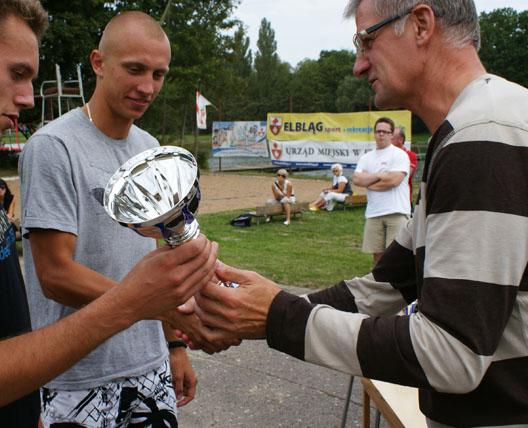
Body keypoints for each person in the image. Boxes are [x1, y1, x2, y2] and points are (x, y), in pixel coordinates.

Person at [190, 1, 528, 427]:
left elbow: (451, 352)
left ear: (421, 24)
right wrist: (252, 309)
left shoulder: (482, 137)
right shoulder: (478, 126)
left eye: (366, 40)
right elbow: (386, 285)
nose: (358, 65)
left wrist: (277, 316)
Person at [0, 2, 217, 427]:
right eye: (17, 73)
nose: (28, 97)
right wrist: (135, 302)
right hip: (79, 389)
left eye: (158, 75)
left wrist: (32, 410)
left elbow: (0, 314)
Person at [20, 11, 234, 428]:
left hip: (148, 367)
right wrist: (165, 310)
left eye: (159, 74)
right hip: (74, 377)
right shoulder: (53, 147)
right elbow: (55, 275)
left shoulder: (150, 147)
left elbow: (158, 251)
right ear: (98, 62)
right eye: (134, 69)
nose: (147, 87)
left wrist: (174, 346)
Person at [352, 117, 410, 264]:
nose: (381, 134)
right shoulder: (366, 157)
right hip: (374, 212)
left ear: (392, 134)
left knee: (395, 254)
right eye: (378, 131)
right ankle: (378, 285)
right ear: (374, 134)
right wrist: (379, 175)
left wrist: (369, 181)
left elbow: (394, 181)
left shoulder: (399, 155)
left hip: (396, 211)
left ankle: (395, 286)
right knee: (377, 254)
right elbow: (357, 179)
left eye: (385, 131)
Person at [391, 126, 418, 208]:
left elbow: (407, 174)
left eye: (391, 138)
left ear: (400, 140)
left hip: (404, 199)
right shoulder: (385, 155)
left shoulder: (410, 155)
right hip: (387, 200)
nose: (388, 140)